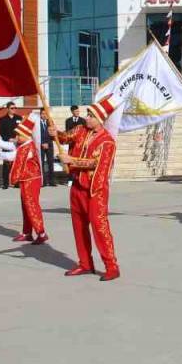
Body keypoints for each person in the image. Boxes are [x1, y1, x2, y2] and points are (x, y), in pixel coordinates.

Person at [60, 96, 120, 280]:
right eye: (88, 114)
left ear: (100, 119)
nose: (87, 117)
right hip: (77, 186)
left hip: (95, 191)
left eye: (91, 115)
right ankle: (85, 263)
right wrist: (55, 132)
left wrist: (72, 161)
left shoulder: (107, 142)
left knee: (100, 227)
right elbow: (64, 137)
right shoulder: (80, 130)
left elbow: (97, 163)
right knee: (78, 227)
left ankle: (112, 266)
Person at [0, 117, 48, 244]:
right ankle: (27, 233)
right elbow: (10, 145)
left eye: (19, 135)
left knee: (32, 206)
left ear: (26, 135)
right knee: (26, 206)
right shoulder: (23, 145)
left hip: (32, 180)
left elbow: (12, 156)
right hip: (26, 179)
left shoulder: (29, 148)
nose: (16, 137)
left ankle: (41, 232)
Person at [0, 102, 22, 189]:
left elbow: (22, 130)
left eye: (15, 108)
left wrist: (18, 138)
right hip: (7, 143)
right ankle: (5, 183)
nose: (14, 109)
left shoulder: (19, 118)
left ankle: (16, 182)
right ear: (7, 109)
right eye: (12, 108)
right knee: (7, 163)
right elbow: (1, 132)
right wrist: (10, 139)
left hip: (17, 144)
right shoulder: (2, 119)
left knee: (17, 163)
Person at [39, 113, 56, 187]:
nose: (44, 115)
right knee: (41, 163)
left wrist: (48, 143)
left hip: (49, 145)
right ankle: (43, 181)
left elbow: (53, 133)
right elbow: (36, 135)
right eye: (43, 114)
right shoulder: (37, 123)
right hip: (40, 145)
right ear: (40, 114)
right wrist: (42, 143)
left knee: (50, 163)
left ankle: (51, 181)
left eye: (46, 114)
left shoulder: (50, 122)